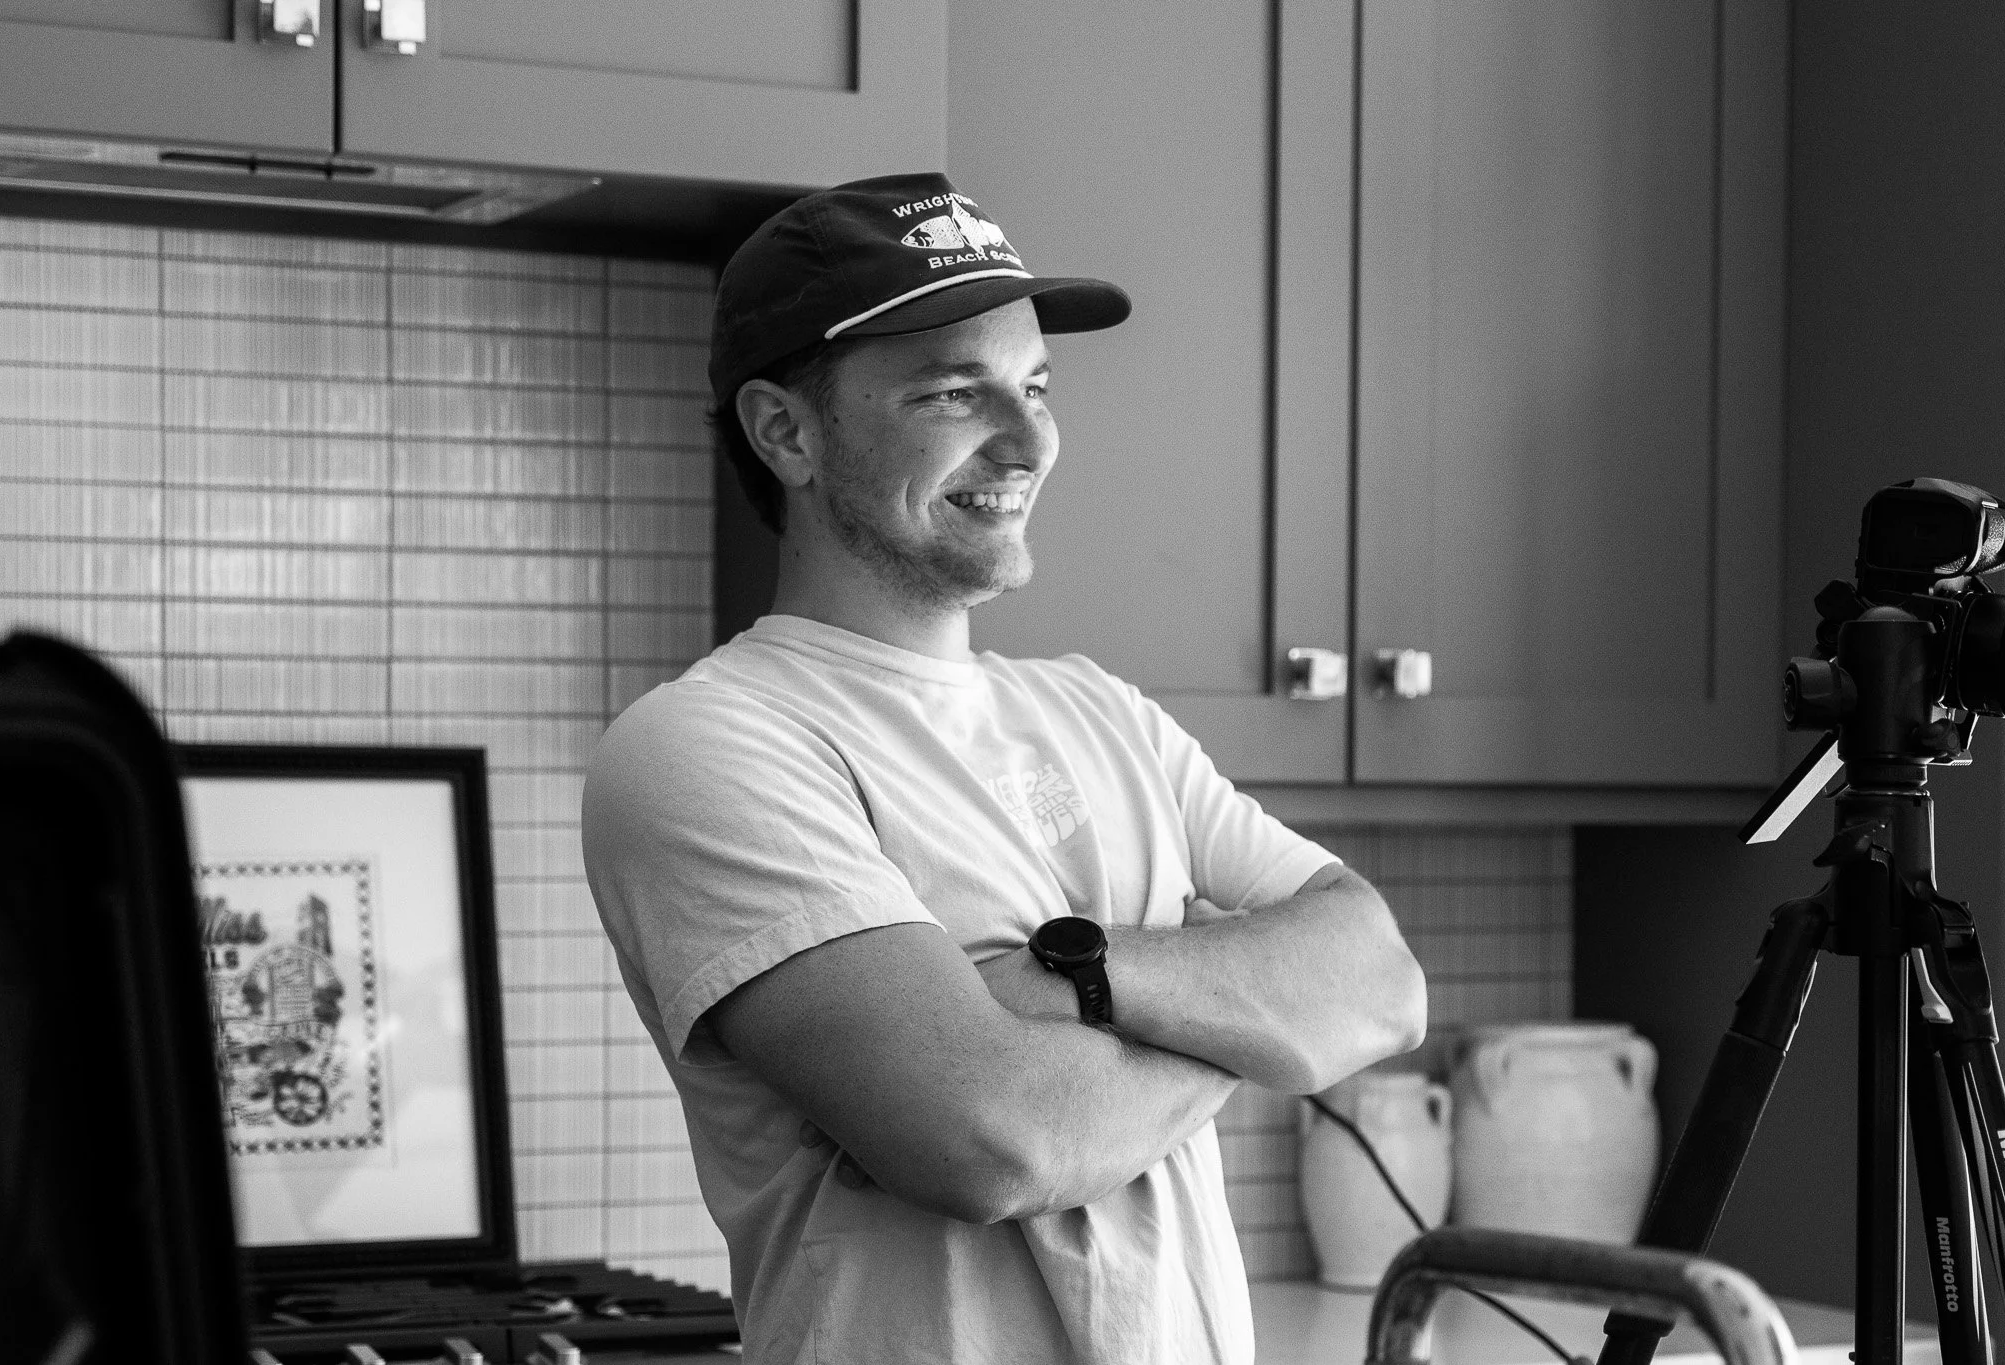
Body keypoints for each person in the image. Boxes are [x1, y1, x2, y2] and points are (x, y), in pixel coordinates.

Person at [582, 171, 1427, 1365]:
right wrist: (1249, 1016)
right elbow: (992, 1141)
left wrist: (1057, 987)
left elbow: (1380, 986)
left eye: (1034, 386)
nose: (1030, 442)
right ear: (786, 433)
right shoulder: (710, 745)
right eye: (953, 392)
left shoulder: (1101, 713)